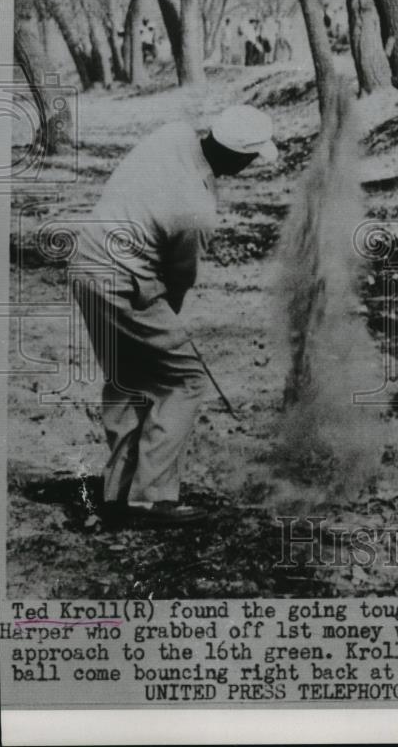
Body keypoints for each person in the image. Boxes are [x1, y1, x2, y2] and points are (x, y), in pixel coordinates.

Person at [71, 105, 278, 526]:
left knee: (129, 373)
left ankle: (117, 494)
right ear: (237, 158)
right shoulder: (196, 211)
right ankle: (151, 500)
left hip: (84, 260)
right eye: (252, 158)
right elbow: (177, 281)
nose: (251, 165)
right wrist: (167, 329)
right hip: (120, 279)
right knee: (184, 380)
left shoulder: (174, 133)